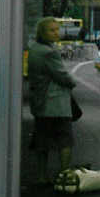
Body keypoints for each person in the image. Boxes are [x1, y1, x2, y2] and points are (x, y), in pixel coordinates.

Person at [28, 17, 77, 184]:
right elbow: (62, 75)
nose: (57, 33)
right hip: (56, 104)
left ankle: (42, 176)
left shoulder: (35, 48)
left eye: (57, 29)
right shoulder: (49, 52)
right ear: (42, 32)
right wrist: (73, 83)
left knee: (42, 142)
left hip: (40, 102)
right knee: (65, 140)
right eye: (52, 30)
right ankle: (64, 175)